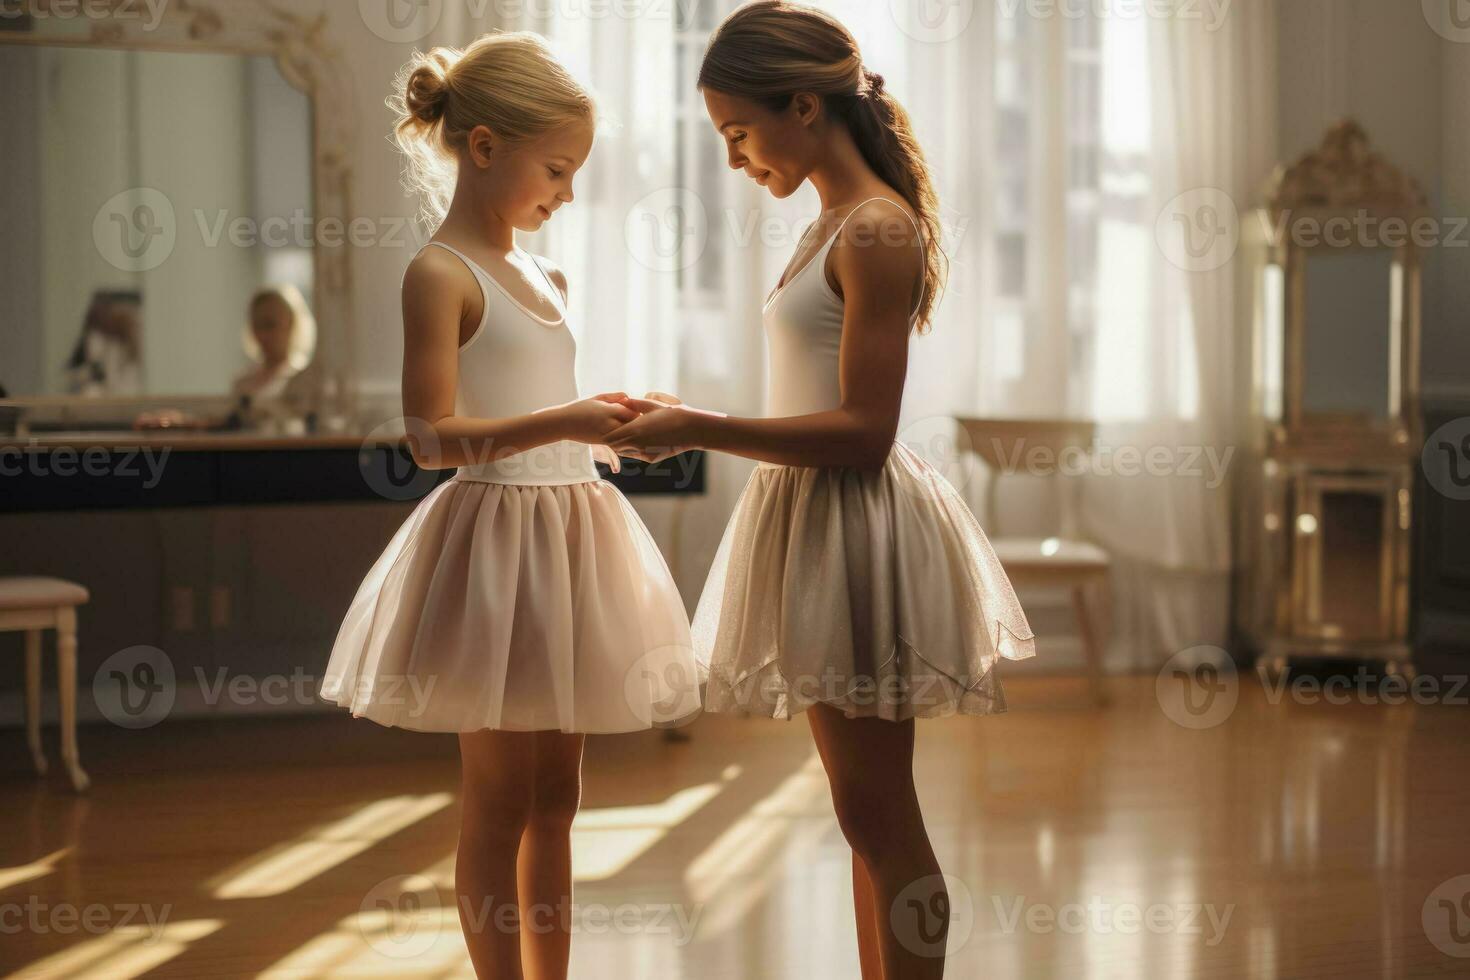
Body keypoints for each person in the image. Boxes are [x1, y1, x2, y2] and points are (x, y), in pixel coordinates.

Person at [608, 4, 1037, 977]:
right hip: (812, 518)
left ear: (804, 104)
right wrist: (692, 413)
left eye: (739, 133)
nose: (735, 160)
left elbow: (864, 431)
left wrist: (701, 428)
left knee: (882, 811)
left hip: (855, 524)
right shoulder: (831, 223)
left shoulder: (878, 227)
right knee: (863, 812)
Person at [316, 31, 699, 980]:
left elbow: (544, 407)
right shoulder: (439, 275)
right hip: (495, 544)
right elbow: (432, 437)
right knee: (497, 800)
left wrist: (601, 420)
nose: (566, 194)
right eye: (558, 169)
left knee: (558, 800)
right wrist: (565, 416)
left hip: (571, 532)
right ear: (484, 147)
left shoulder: (545, 275)